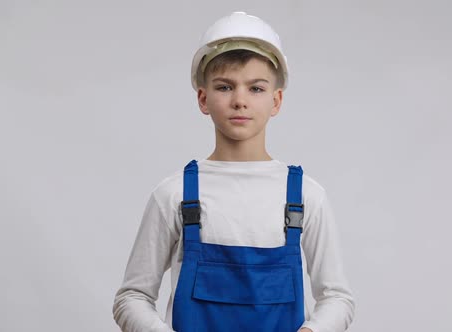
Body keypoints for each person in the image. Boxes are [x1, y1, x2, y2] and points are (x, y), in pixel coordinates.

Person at [112, 11, 355, 332]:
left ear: (276, 100)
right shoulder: (174, 195)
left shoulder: (306, 196)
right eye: (225, 87)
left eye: (256, 88)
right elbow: (132, 296)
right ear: (203, 98)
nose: (240, 100)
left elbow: (337, 296)